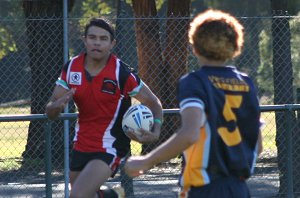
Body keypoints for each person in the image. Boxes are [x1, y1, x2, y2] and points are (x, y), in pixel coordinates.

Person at [124, 9, 263, 198]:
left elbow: (189, 134)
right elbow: (258, 145)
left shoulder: (195, 82)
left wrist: (147, 160)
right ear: (235, 46)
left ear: (194, 46)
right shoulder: (247, 84)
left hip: (205, 188)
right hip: (239, 188)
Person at [45, 18, 163, 198]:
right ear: (84, 40)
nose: (97, 43)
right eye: (92, 37)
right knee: (85, 195)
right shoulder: (71, 68)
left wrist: (155, 130)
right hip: (81, 143)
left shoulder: (121, 73)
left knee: (77, 196)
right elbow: (50, 111)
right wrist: (56, 107)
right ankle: (111, 195)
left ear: (112, 44)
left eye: (103, 39)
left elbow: (154, 103)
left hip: (111, 145)